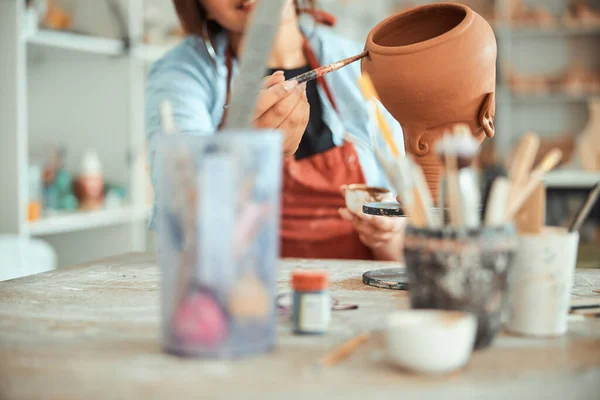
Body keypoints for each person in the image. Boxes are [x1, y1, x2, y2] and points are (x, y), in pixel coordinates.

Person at [146, 0, 406, 261]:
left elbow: (405, 231)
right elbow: (177, 206)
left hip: (355, 291)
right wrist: (239, 154)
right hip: (237, 291)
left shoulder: (362, 66)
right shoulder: (181, 74)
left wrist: (387, 234)